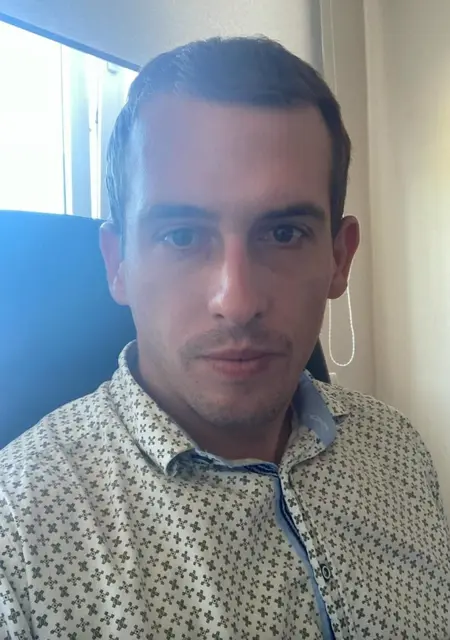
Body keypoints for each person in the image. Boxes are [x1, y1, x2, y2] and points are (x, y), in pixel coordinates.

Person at [0, 37, 449, 640]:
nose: (236, 302)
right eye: (183, 236)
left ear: (339, 259)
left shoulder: (397, 450)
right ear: (117, 264)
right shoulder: (17, 538)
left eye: (284, 234)